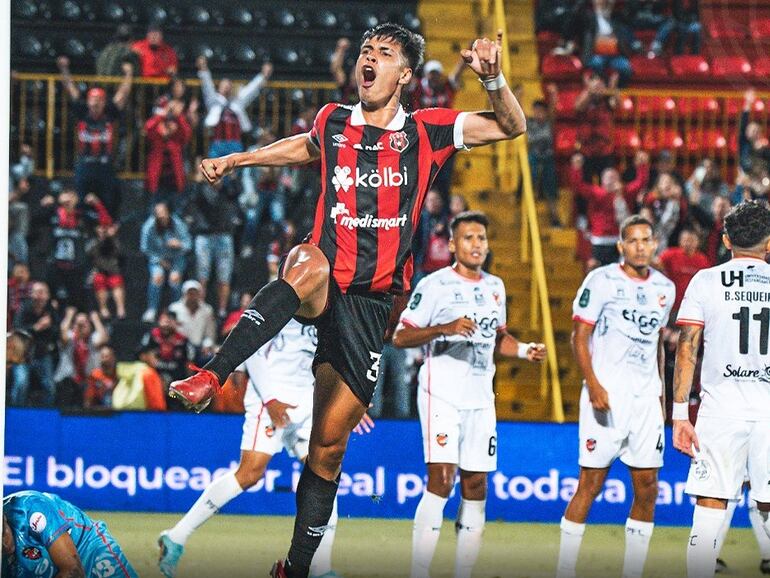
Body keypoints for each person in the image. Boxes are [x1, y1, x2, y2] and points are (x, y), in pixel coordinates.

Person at [171, 23, 526, 578]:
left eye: (384, 54)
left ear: (405, 75)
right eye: (366, 51)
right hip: (325, 279)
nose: (370, 59)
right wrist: (239, 159)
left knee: (327, 449)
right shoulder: (333, 120)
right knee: (307, 261)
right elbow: (304, 148)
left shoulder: (429, 131)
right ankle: (211, 374)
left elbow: (511, 125)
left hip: (372, 304)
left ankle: (298, 566)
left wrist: (494, 79)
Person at [391, 211, 546, 578]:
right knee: (442, 480)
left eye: (481, 239)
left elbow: (499, 337)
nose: (477, 245)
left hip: (480, 397)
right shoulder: (434, 285)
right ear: (453, 245)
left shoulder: (495, 287)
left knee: (476, 483)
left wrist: (525, 350)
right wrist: (446, 327)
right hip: (441, 394)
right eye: (469, 239)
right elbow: (400, 336)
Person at [158, 319, 355, 578]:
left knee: (325, 472)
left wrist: (353, 395)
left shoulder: (334, 306)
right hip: (270, 398)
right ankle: (176, 536)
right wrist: (271, 400)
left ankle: (321, 568)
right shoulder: (290, 297)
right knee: (249, 474)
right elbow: (252, 349)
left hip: (308, 400)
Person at [557, 215, 676, 578]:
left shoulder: (665, 288)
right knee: (590, 485)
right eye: (633, 241)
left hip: (646, 401)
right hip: (606, 397)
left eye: (646, 240)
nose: (640, 246)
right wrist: (593, 383)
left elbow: (656, 342)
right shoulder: (601, 280)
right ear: (621, 246)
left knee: (648, 488)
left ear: (655, 245)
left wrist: (661, 395)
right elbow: (579, 336)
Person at [672, 200, 770, 578]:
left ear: (726, 240)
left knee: (710, 506)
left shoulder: (706, 281)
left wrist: (681, 414)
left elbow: (687, 346)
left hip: (719, 412)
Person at [57, 55, 133, 216]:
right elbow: (70, 88)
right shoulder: (82, 111)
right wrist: (64, 69)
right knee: (82, 203)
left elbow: (123, 94)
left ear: (104, 102)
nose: (95, 103)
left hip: (105, 166)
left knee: (109, 201)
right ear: (88, 101)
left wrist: (128, 75)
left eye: (99, 100)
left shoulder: (110, 113)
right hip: (85, 164)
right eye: (92, 99)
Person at [3, 491, 137, 578]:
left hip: (88, 550)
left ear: (4, 519)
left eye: (3, 534)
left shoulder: (30, 509)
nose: (4, 544)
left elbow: (73, 571)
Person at [569, 152, 650, 268]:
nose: (611, 180)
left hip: (619, 239)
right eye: (608, 178)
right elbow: (577, 186)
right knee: (597, 271)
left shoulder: (625, 192)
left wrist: (642, 165)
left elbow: (640, 183)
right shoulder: (596, 193)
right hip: (600, 240)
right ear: (602, 181)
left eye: (614, 177)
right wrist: (576, 168)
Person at [197, 55, 273, 158]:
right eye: (224, 85)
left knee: (235, 170)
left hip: (235, 144)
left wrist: (263, 76)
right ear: (219, 87)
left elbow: (251, 90)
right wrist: (203, 69)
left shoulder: (237, 102)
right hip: (218, 143)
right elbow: (207, 86)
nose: (226, 87)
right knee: (215, 170)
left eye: (228, 85)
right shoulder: (214, 102)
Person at [140, 202, 192, 323]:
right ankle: (152, 309)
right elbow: (145, 249)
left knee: (174, 279)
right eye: (159, 216)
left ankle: (176, 309)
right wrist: (159, 260)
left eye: (164, 215)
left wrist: (179, 244)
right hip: (157, 258)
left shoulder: (178, 224)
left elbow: (188, 244)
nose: (162, 218)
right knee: (157, 277)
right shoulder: (149, 227)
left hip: (176, 257)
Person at [12, 282, 59, 407]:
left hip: (42, 354)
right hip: (23, 354)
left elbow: (56, 331)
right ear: (31, 294)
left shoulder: (51, 311)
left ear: (48, 296)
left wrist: (49, 328)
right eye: (36, 292)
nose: (39, 296)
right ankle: (17, 411)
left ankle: (44, 413)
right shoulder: (24, 308)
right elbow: (17, 331)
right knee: (21, 383)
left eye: (42, 292)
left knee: (50, 386)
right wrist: (36, 327)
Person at [657, 227, 709, 315]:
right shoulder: (671, 254)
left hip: (692, 307)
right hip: (671, 305)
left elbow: (707, 283)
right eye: (685, 240)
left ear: (698, 242)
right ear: (680, 241)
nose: (688, 243)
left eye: (691, 240)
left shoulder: (702, 260)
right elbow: (657, 264)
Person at [168, 280, 217, 362]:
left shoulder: (207, 310)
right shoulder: (174, 308)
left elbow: (210, 334)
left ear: (199, 294)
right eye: (190, 293)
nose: (192, 296)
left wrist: (207, 345)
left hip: (199, 347)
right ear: (184, 294)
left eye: (195, 293)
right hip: (179, 346)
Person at [84, 345, 119, 409]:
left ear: (113, 358)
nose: (104, 360)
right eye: (102, 357)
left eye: (107, 356)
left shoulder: (119, 375)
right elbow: (88, 399)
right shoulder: (95, 375)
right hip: (99, 411)